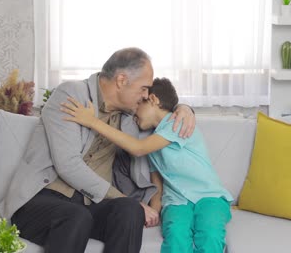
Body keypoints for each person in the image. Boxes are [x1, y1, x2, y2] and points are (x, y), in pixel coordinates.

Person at [0, 48, 196, 253]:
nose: (146, 95)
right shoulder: (71, 94)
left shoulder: (131, 113)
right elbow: (68, 165)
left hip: (89, 204)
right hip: (41, 198)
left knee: (130, 210)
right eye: (144, 88)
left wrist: (185, 109)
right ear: (121, 80)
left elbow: (159, 109)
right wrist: (120, 196)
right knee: (76, 215)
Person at [60, 77, 233, 253]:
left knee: (210, 233)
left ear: (153, 100)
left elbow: (138, 148)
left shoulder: (177, 124)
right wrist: (154, 211)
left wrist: (92, 121)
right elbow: (157, 183)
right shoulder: (152, 139)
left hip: (209, 196)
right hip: (176, 201)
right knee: (175, 234)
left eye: (138, 107)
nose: (134, 113)